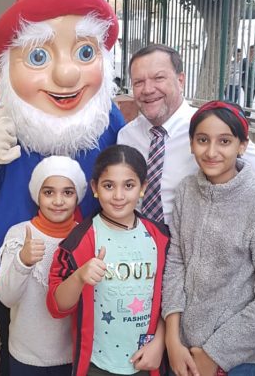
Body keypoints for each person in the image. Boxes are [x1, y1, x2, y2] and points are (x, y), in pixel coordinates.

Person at [0, 0, 125, 375]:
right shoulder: (5, 114)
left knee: (83, 345)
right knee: (15, 347)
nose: (66, 75)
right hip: (22, 255)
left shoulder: (106, 117)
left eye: (84, 52)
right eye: (39, 57)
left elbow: (126, 177)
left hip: (86, 258)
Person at [162, 101, 255, 376]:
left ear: (242, 145)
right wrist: (172, 339)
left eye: (224, 141)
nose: (212, 152)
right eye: (203, 140)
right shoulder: (187, 191)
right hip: (184, 351)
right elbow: (176, 263)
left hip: (239, 360)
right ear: (191, 144)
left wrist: (215, 355)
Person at [117, 44, 255, 226]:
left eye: (158, 78)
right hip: (137, 239)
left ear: (181, 80)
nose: (147, 89)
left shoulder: (213, 129)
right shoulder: (126, 136)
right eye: (138, 82)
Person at [47, 144, 168, 376]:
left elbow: (170, 298)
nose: (118, 196)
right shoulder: (78, 242)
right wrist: (79, 277)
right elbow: (57, 306)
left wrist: (160, 342)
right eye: (109, 186)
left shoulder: (160, 238)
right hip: (96, 365)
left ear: (143, 187)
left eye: (129, 185)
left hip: (147, 362)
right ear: (95, 188)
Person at [0, 155, 87, 375]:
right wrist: (22, 261)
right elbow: (6, 298)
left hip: (72, 356)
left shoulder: (86, 236)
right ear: (37, 194)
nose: (58, 201)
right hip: (25, 357)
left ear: (77, 196)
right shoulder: (19, 234)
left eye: (67, 192)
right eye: (49, 192)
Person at [241, 45, 255, 112]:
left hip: (254, 84)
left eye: (253, 51)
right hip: (246, 83)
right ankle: (247, 114)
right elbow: (242, 70)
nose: (252, 53)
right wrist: (249, 63)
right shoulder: (244, 60)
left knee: (251, 100)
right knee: (249, 99)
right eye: (251, 51)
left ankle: (248, 113)